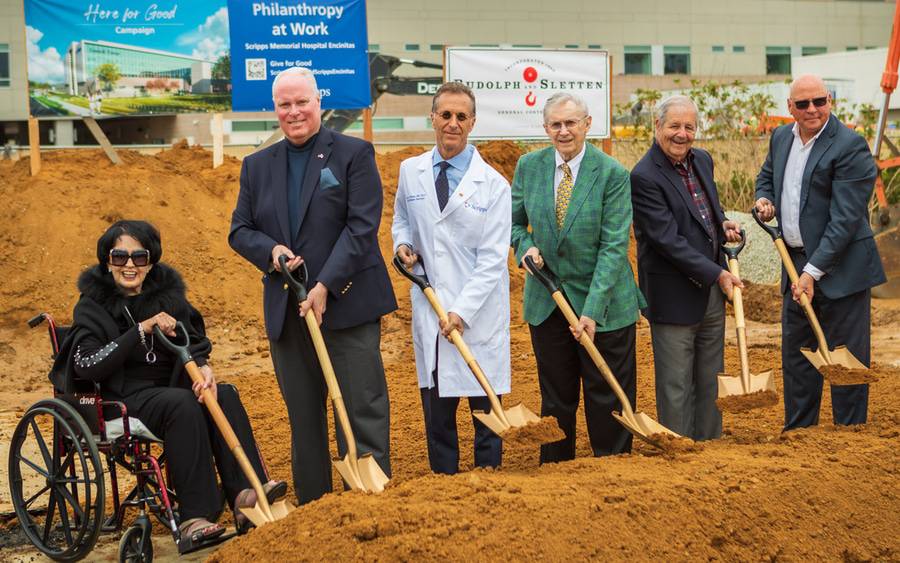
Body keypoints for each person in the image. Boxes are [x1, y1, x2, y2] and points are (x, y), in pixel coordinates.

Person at [51, 220, 285, 547]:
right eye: (119, 257)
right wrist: (139, 330)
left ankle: (247, 494)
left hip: (170, 389)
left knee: (224, 395)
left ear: (151, 261)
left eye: (139, 257)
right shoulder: (92, 306)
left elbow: (195, 341)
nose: (129, 265)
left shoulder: (168, 296)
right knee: (183, 405)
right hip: (122, 399)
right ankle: (194, 517)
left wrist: (203, 368)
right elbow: (87, 365)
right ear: (107, 261)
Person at [229, 67, 396, 504]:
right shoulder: (256, 166)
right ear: (275, 109)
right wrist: (271, 252)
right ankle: (316, 514)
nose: (294, 112)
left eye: (301, 102)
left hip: (346, 306)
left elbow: (362, 229)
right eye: (284, 104)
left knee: (361, 413)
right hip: (290, 313)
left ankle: (369, 507)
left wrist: (324, 284)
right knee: (304, 421)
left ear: (318, 101)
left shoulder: (354, 154)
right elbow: (240, 230)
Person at [511, 92, 645, 461]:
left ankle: (612, 468)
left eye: (571, 123)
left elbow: (614, 246)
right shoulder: (529, 166)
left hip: (604, 303)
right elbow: (513, 223)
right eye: (555, 124)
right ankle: (556, 474)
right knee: (556, 397)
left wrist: (592, 311)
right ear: (545, 128)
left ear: (587, 124)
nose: (563, 131)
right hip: (548, 300)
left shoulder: (612, 174)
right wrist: (524, 246)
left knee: (607, 393)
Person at [754, 74, 885, 431]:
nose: (812, 109)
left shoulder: (849, 145)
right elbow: (767, 177)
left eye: (819, 101)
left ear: (830, 101)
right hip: (794, 261)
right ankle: (799, 433)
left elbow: (844, 221)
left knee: (846, 358)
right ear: (790, 108)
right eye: (803, 104)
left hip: (842, 269)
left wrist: (812, 272)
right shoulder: (782, 138)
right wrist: (763, 199)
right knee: (797, 356)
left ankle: (850, 433)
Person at [392, 82, 511, 474]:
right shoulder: (411, 172)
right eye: (446, 115)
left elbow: (493, 260)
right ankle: (445, 488)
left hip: (476, 318)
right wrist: (402, 245)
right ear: (433, 118)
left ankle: (490, 487)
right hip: (431, 311)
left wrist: (461, 312)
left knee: (486, 421)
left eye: (462, 116)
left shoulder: (494, 185)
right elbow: (402, 221)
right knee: (438, 421)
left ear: (473, 122)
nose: (453, 123)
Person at [630, 95, 743, 441]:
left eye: (689, 127)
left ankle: (710, 447)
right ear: (657, 127)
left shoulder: (702, 160)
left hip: (710, 291)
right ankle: (679, 454)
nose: (682, 134)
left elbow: (709, 209)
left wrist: (723, 224)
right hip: (673, 294)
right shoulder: (644, 176)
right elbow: (667, 240)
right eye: (674, 126)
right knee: (676, 383)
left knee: (711, 378)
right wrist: (720, 273)